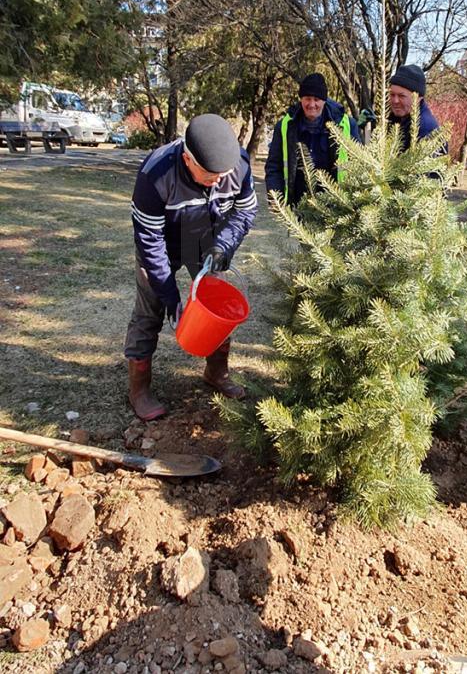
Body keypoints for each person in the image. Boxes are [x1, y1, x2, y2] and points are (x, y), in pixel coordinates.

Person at [125, 114, 258, 420]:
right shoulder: (155, 175)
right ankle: (139, 388)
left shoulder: (238, 163)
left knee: (218, 306)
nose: (221, 181)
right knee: (150, 308)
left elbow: (246, 210)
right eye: (212, 176)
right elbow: (150, 242)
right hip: (164, 242)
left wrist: (223, 246)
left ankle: (216, 372)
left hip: (207, 240)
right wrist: (172, 299)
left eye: (225, 174)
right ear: (187, 159)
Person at [265, 72, 360, 206]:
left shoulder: (347, 125)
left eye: (316, 99)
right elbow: (274, 166)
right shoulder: (285, 126)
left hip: (336, 207)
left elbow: (359, 165)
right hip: (297, 206)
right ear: (301, 99)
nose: (312, 104)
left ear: (324, 100)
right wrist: (275, 196)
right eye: (307, 98)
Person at [389, 64, 440, 150]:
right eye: (392, 95)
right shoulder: (397, 118)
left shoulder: (426, 130)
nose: (395, 101)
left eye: (401, 96)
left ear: (418, 98)